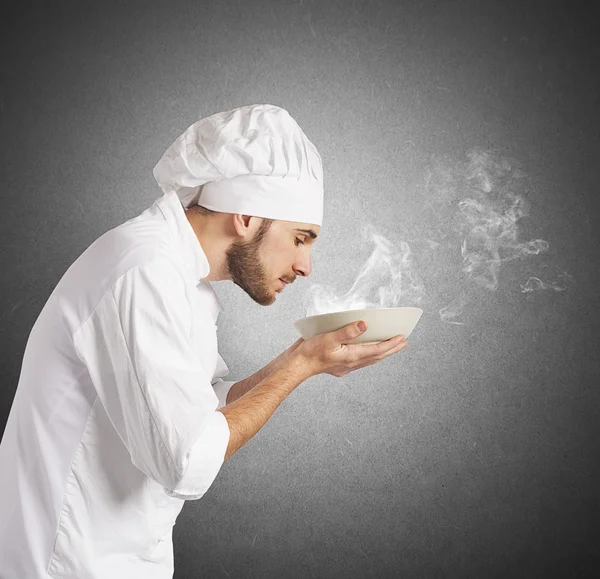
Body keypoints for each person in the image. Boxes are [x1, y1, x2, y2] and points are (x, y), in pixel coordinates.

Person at [0, 104, 408, 578]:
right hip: (61, 564)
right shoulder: (143, 269)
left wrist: (301, 358)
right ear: (247, 216)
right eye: (301, 238)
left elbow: (206, 407)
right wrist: (300, 368)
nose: (305, 266)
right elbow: (186, 460)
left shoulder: (182, 278)